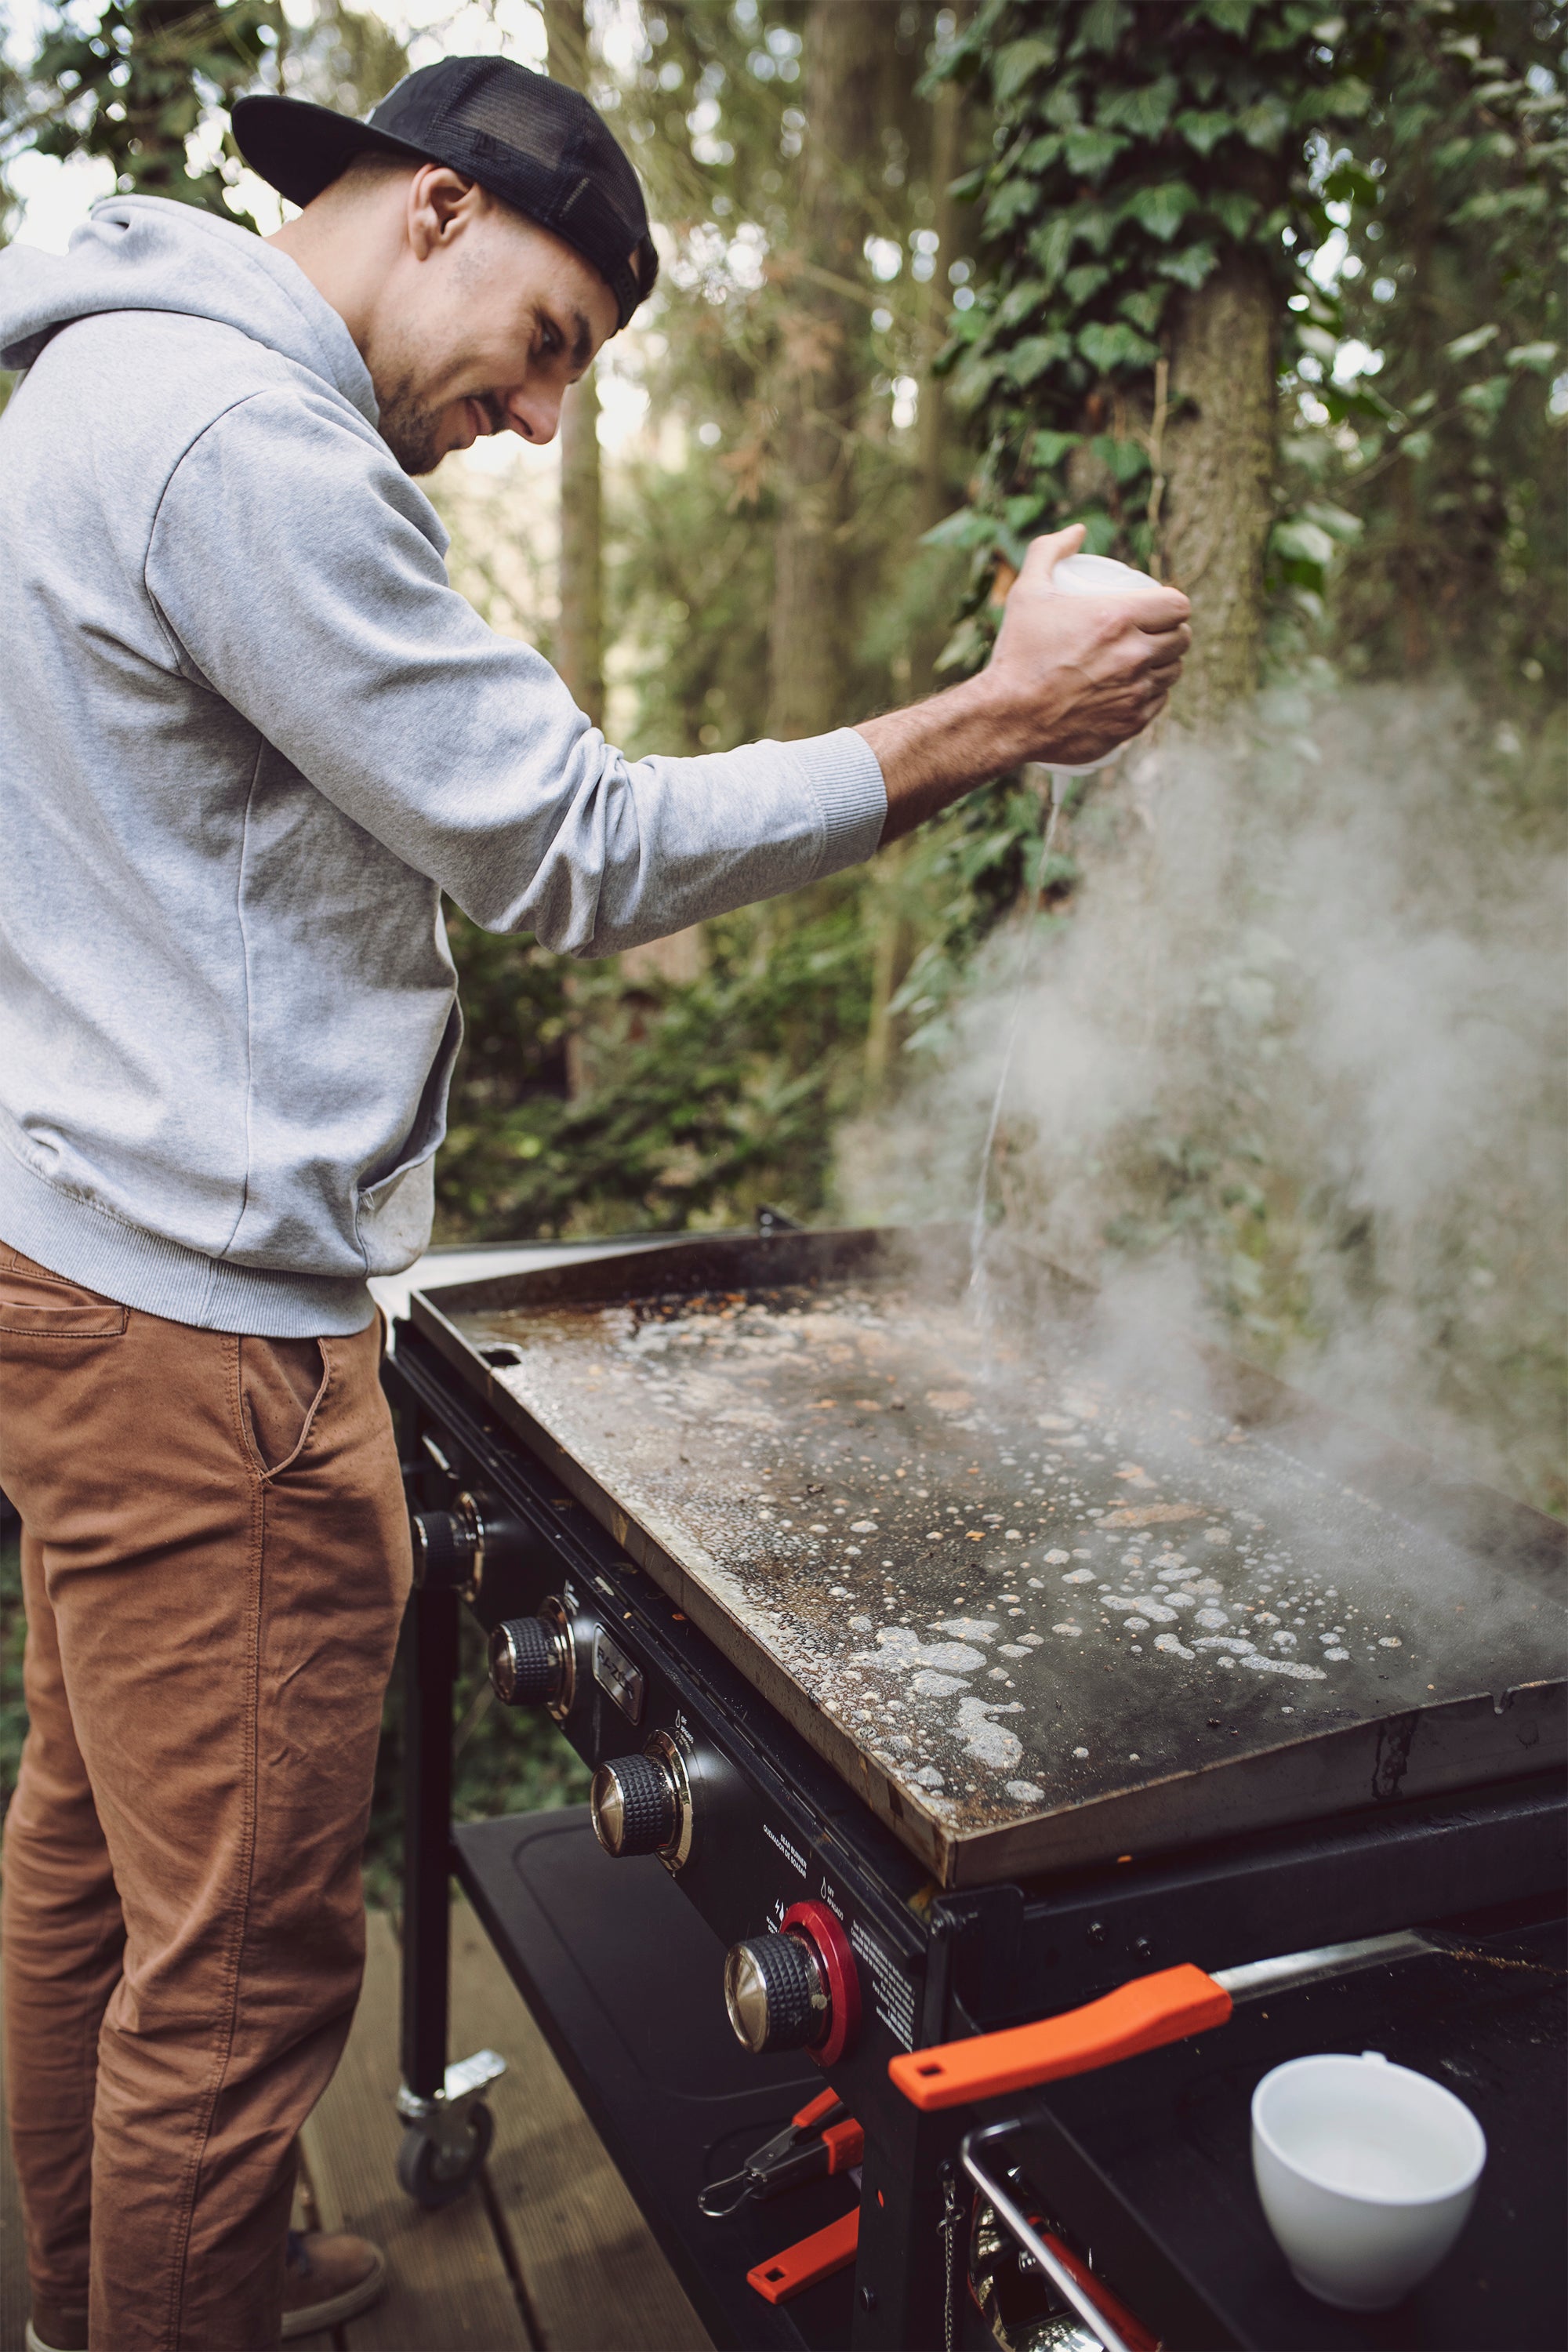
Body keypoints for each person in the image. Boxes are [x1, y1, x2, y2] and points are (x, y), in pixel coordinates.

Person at [0, 52, 1190, 2352]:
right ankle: (171, 2296)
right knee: (242, 1965)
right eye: (552, 342)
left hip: (69, 1249)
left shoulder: (83, 382)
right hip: (204, 1334)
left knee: (90, 1851)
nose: (543, 421)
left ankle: (118, 2280)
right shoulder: (244, 452)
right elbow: (578, 843)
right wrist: (991, 720)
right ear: (435, 210)